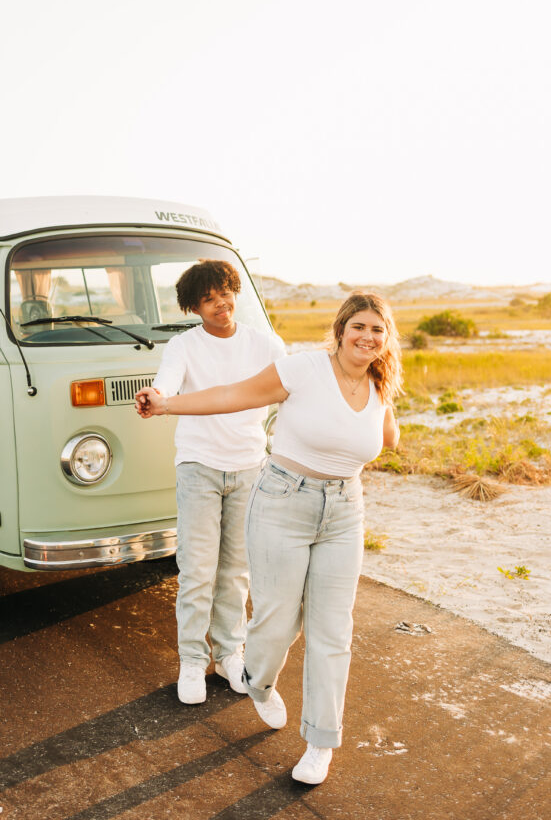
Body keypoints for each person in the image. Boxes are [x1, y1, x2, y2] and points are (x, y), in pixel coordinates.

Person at [136, 291, 402, 785]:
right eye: (359, 327)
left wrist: (380, 418)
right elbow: (231, 395)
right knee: (278, 618)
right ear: (341, 329)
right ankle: (256, 678)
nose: (367, 337)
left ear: (387, 340)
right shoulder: (303, 369)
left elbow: (388, 439)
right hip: (283, 500)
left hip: (345, 511)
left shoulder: (379, 385)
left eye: (377, 330)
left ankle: (320, 741)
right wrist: (167, 403)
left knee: (332, 630)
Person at [138, 259, 285, 706]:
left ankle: (230, 656)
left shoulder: (266, 344)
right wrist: (154, 399)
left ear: (235, 291)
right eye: (208, 300)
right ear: (194, 307)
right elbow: (164, 387)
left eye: (225, 293)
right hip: (199, 467)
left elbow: (293, 391)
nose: (220, 304)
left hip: (249, 468)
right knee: (197, 570)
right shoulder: (184, 346)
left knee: (236, 570)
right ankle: (191, 662)